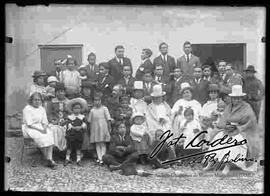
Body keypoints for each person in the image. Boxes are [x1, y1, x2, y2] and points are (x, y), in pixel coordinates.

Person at [204, 85, 259, 175]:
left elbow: (250, 122)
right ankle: (210, 164)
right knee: (217, 139)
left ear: (242, 98)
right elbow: (223, 120)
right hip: (228, 130)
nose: (236, 100)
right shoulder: (229, 107)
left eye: (238, 98)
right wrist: (226, 126)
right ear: (231, 98)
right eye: (234, 98)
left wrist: (238, 127)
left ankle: (228, 166)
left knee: (236, 141)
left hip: (242, 131)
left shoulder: (247, 107)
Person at [22, 92, 57, 169]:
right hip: (30, 128)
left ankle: (49, 159)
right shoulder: (27, 109)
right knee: (40, 136)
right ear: (31, 100)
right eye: (35, 100)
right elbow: (29, 123)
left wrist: (44, 129)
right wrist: (40, 130)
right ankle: (47, 158)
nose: (37, 101)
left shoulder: (42, 109)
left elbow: (45, 121)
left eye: (39, 100)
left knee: (49, 134)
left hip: (40, 126)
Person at [88, 94, 112, 165]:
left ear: (101, 101)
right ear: (93, 102)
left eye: (98, 100)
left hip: (103, 127)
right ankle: (99, 158)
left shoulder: (104, 108)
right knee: (97, 143)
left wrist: (109, 127)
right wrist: (90, 130)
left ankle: (103, 157)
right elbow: (89, 121)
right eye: (95, 100)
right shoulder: (92, 110)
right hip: (95, 127)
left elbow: (108, 119)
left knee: (103, 143)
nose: (97, 102)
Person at [64, 98, 88, 166]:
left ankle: (78, 159)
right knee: (69, 147)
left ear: (81, 109)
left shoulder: (82, 117)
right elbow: (68, 124)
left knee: (78, 147)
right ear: (72, 109)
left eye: (78, 108)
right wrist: (74, 127)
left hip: (79, 134)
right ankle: (67, 158)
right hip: (71, 134)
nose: (77, 110)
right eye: (75, 108)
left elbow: (85, 124)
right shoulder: (70, 117)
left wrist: (80, 127)